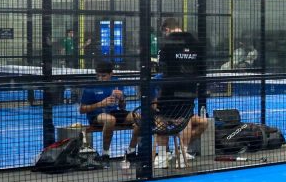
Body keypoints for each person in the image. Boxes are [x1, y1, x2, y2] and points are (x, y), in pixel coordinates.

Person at [149, 17, 209, 168]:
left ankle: (162, 157)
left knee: (161, 118)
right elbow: (202, 69)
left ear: (167, 29)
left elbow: (163, 68)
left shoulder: (167, 44)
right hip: (190, 90)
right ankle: (182, 156)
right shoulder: (195, 43)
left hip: (170, 90)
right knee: (185, 119)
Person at [78, 60, 137, 158]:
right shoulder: (91, 86)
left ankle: (131, 150)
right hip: (96, 115)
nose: (100, 78)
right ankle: (105, 153)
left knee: (139, 118)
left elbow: (122, 107)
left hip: (113, 112)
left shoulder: (117, 83)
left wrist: (122, 98)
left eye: (103, 76)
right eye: (98, 75)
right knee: (110, 120)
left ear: (111, 74)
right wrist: (101, 104)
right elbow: (81, 109)